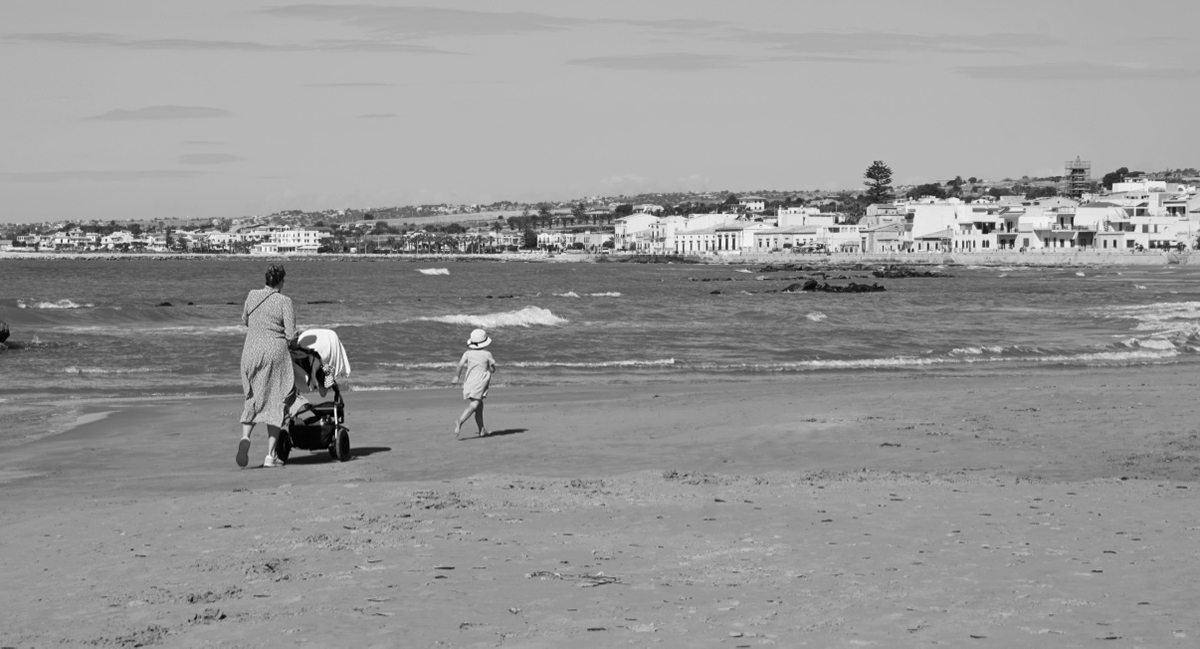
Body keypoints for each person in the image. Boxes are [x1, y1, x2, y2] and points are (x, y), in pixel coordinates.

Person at [236, 263, 296, 468]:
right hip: (274, 353)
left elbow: (246, 320)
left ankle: (245, 437)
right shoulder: (284, 301)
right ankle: (270, 456)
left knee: (253, 397)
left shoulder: (252, 295)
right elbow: (290, 334)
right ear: (281, 281)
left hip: (250, 352)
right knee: (275, 401)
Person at [451, 328, 496, 438]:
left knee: (479, 406)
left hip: (469, 381)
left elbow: (460, 365)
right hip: (480, 382)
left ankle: (481, 430)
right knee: (475, 404)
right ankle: (460, 421)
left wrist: (457, 376)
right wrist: (490, 368)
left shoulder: (467, 353)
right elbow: (492, 369)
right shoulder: (487, 354)